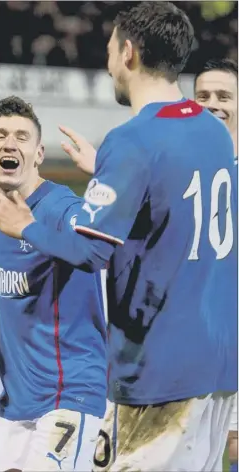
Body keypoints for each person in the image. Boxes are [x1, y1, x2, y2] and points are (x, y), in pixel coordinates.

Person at [0, 2, 238, 470]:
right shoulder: (212, 130)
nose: (109, 59)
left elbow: (89, 250)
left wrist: (23, 226)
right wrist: (111, 175)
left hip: (160, 369)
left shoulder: (133, 139)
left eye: (111, 47)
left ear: (129, 52)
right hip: (219, 367)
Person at [0, 96, 107, 472]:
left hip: (72, 394)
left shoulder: (60, 207)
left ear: (38, 153)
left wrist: (26, 228)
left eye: (21, 136)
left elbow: (94, 249)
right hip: (16, 403)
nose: (10, 143)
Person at [195, 57, 238, 472]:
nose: (213, 104)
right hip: (197, 342)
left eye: (224, 96)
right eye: (203, 96)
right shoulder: (182, 169)